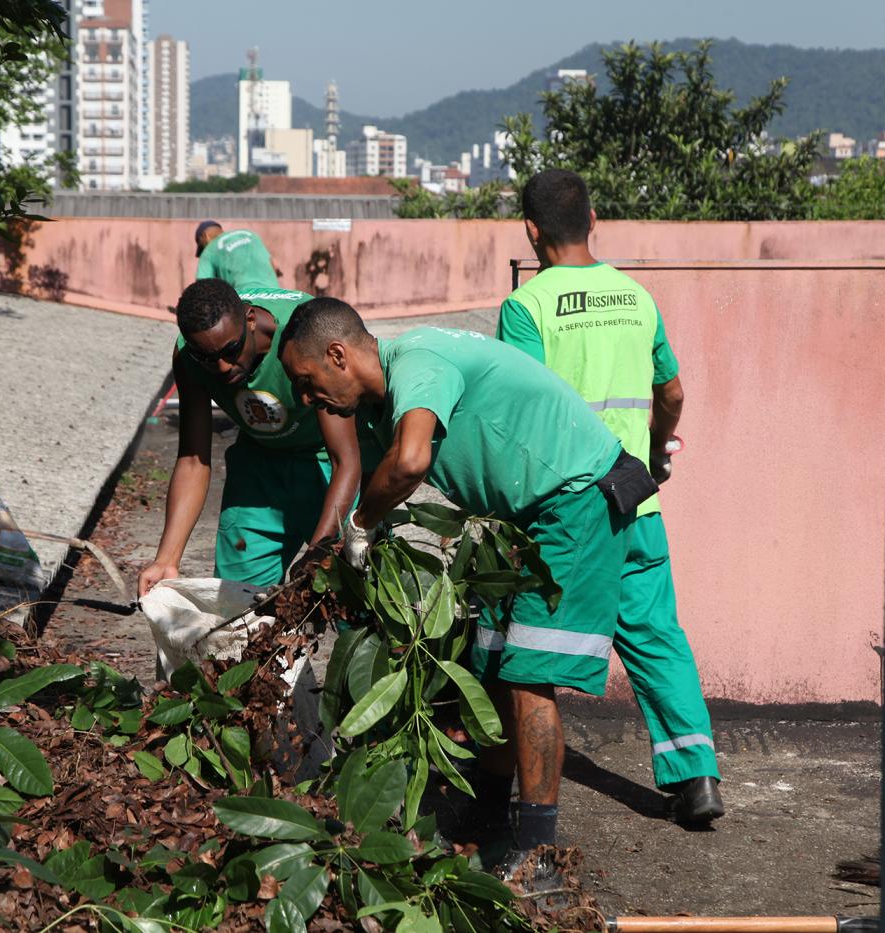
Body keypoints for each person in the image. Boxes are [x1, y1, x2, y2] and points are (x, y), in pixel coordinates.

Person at [277, 298, 660, 867]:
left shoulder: (418, 362)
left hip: (575, 500)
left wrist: (360, 524)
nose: (308, 401)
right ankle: (488, 819)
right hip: (521, 520)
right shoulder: (387, 401)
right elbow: (387, 478)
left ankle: (540, 858)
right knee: (493, 667)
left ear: (337, 355)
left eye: (307, 383)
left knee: (530, 676)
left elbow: (408, 465)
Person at [495, 169, 723, 824]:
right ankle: (698, 776)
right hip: (637, 496)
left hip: (571, 510)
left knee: (528, 653)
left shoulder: (528, 307)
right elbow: (671, 392)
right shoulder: (635, 296)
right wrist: (655, 452)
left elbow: (523, 414)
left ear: (531, 231)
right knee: (657, 636)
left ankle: (520, 804)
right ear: (593, 218)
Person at [137, 279, 363, 596]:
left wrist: (318, 552)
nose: (223, 367)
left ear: (251, 320)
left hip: (325, 463)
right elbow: (193, 460)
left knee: (352, 596)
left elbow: (346, 460)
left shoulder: (307, 335)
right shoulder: (190, 355)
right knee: (239, 606)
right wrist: (166, 559)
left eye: (231, 350)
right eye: (207, 358)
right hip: (258, 466)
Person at [194, 221, 280, 292]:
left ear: (205, 236)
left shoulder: (209, 250)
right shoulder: (250, 234)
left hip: (245, 300)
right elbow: (274, 267)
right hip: (275, 294)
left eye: (202, 246)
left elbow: (203, 288)